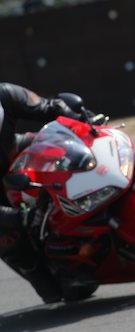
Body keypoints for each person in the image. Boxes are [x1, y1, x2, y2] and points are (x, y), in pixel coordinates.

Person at [0, 82, 81, 303]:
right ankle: (33, 269)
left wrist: (81, 119)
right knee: (52, 292)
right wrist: (16, 217)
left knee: (61, 144)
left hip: (14, 152)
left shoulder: (6, 94)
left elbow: (50, 107)